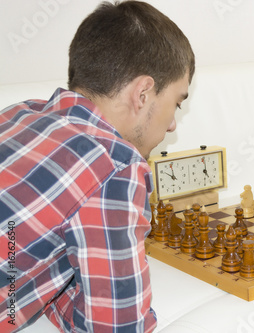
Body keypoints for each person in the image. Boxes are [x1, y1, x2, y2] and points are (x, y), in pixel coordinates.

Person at [0, 1, 194, 332]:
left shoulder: (17, 115)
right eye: (176, 102)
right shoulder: (115, 167)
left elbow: (25, 270)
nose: (173, 124)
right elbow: (119, 328)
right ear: (143, 93)